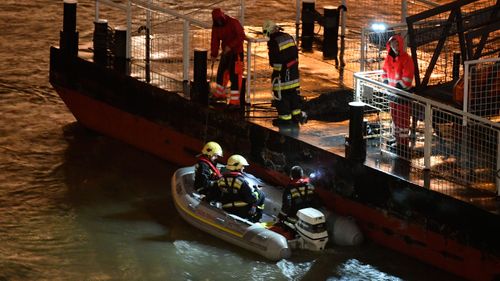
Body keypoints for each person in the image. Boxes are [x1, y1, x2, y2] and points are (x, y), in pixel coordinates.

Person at [262, 20, 307, 126]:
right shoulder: (288, 36)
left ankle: (285, 119)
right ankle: (296, 116)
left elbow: (273, 61)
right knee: (293, 94)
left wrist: (276, 74)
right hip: (294, 71)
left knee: (281, 96)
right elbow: (295, 53)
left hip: (282, 74)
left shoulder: (273, 41)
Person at [381, 34, 415, 149]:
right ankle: (397, 139)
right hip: (393, 93)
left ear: (400, 44)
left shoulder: (406, 59)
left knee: (403, 119)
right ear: (390, 45)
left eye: (396, 43)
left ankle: (403, 143)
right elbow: (384, 71)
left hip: (402, 95)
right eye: (392, 43)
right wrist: (385, 82)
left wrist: (396, 88)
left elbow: (407, 78)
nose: (394, 46)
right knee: (395, 118)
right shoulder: (389, 58)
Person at [210, 8, 246, 108]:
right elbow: (215, 41)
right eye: (216, 21)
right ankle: (220, 94)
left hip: (237, 53)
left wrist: (230, 46)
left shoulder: (234, 22)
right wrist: (214, 54)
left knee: (235, 77)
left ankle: (235, 102)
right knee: (221, 73)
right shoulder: (216, 27)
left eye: (219, 20)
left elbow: (241, 36)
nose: (218, 22)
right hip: (226, 53)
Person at [217, 154, 264, 222]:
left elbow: (215, 193)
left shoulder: (221, 179)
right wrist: (257, 191)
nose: (243, 168)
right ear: (238, 167)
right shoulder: (241, 182)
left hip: (225, 207)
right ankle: (256, 219)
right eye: (242, 166)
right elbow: (250, 198)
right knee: (261, 194)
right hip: (240, 211)